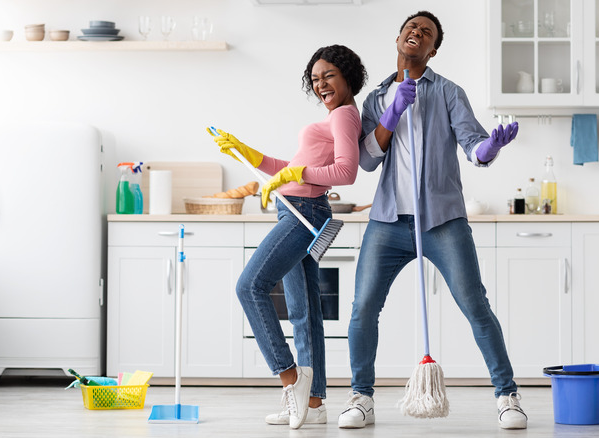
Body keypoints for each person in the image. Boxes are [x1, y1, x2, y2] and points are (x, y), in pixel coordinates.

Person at [337, 11, 526, 430]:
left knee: (476, 306)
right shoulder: (375, 99)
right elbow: (367, 160)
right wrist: (391, 114)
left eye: (426, 33)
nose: (416, 33)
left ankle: (507, 396)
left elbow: (474, 146)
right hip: (387, 221)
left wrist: (490, 148)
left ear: (432, 50)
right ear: (399, 36)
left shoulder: (448, 92)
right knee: (363, 308)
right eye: (411, 28)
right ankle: (360, 397)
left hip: (442, 221)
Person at [209, 44, 367, 430]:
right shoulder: (334, 118)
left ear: (347, 75)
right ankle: (313, 403)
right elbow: (292, 167)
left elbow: (346, 172)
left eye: (329, 75)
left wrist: (295, 176)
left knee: (250, 287)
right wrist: (249, 154)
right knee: (304, 310)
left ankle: (290, 380)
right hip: (296, 210)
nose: (321, 84)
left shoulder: (345, 116)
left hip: (303, 215)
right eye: (315, 79)